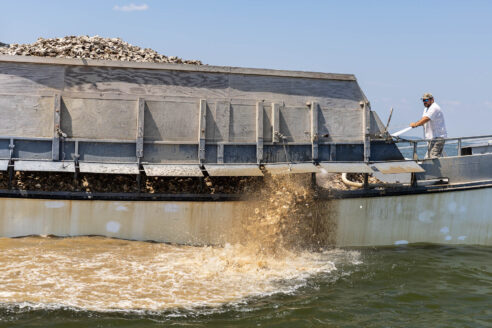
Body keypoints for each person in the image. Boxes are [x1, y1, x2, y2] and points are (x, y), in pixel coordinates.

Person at [410, 93, 447, 158]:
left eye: (426, 100)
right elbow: (423, 120)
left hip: (438, 137)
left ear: (432, 100)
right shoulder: (426, 109)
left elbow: (426, 118)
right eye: (423, 100)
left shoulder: (434, 107)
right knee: (429, 157)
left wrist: (415, 124)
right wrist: (417, 123)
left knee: (433, 157)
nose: (424, 102)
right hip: (430, 138)